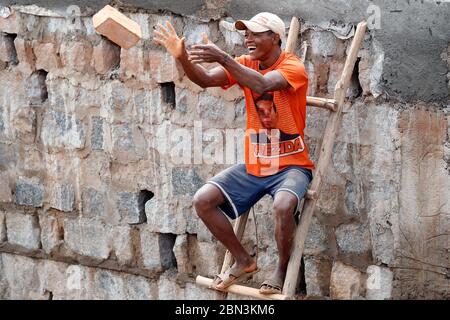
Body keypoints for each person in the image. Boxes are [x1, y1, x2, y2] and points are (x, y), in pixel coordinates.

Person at [153, 12, 314, 294]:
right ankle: (243, 260)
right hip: (257, 165)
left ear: (274, 37)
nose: (247, 38)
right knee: (203, 200)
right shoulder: (244, 64)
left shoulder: (293, 66)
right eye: (245, 33)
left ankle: (280, 269)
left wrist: (223, 58)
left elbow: (263, 84)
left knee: (283, 206)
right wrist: (182, 57)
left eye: (254, 33)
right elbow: (204, 79)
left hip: (292, 166)